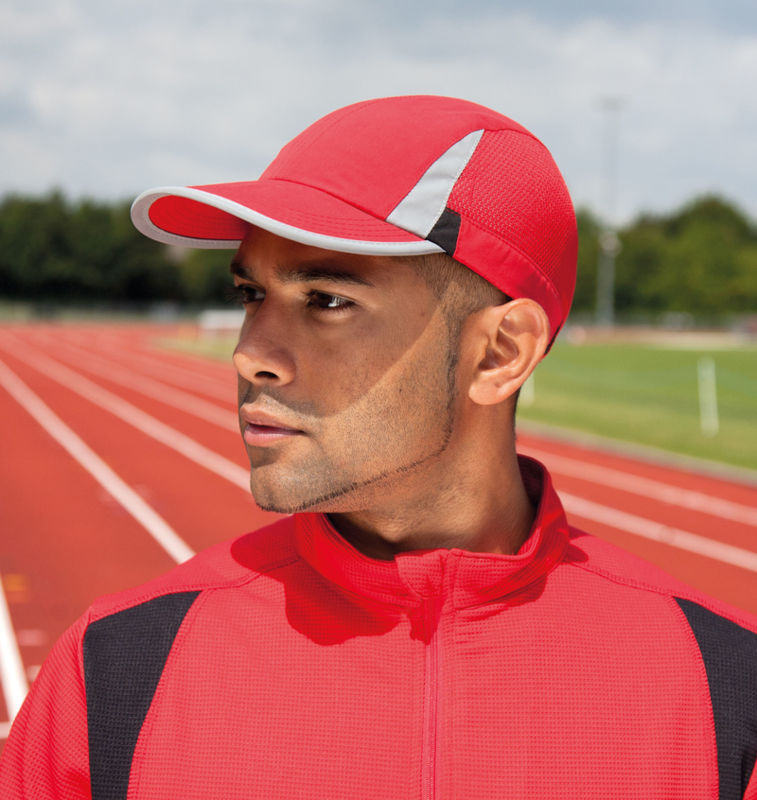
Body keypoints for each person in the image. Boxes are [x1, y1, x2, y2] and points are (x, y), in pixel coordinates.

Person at [1, 95, 755, 800]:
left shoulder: (724, 694)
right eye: (250, 294)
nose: (250, 353)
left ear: (499, 353)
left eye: (326, 300)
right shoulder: (118, 672)